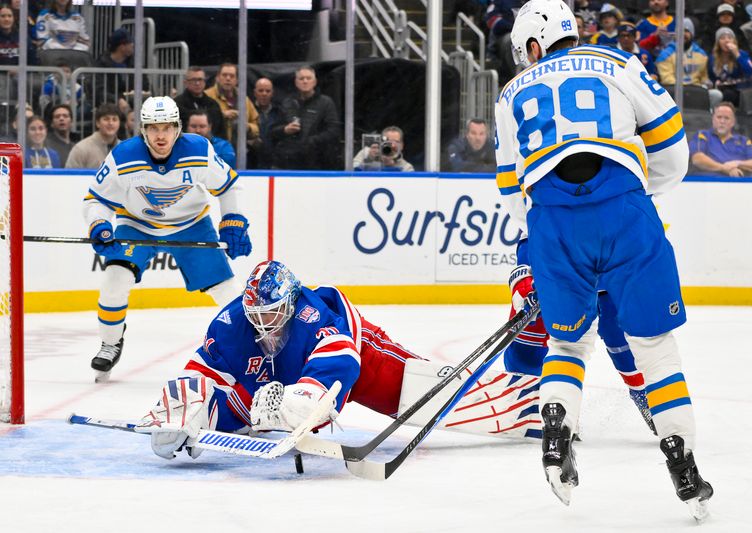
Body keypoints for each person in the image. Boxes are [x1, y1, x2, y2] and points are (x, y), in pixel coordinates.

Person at [498, 0, 712, 517]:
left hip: (550, 221)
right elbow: (673, 152)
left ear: (533, 44)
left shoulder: (509, 94)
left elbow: (511, 194)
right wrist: (637, 194)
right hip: (623, 208)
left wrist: (556, 237)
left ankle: (556, 438)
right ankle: (682, 463)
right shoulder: (617, 63)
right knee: (653, 345)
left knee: (568, 341)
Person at [135, 259, 432, 459]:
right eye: (255, 313)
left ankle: (464, 388)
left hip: (361, 360)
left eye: (270, 311)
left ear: (289, 301)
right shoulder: (230, 322)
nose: (261, 320)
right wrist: (189, 411)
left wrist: (304, 400)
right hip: (278, 379)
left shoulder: (312, 315)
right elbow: (207, 371)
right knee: (223, 404)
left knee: (424, 396)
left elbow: (340, 360)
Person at [81, 96, 252, 382]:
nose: (161, 135)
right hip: (136, 224)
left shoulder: (199, 149)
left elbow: (229, 186)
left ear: (178, 128)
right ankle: (111, 342)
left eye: (167, 127)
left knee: (227, 292)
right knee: (114, 282)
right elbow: (95, 201)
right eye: (153, 128)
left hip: (192, 224)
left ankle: (249, 350)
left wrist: (233, 222)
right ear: (143, 130)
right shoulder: (123, 156)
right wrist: (99, 224)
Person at [272, 65, 340, 170]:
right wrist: (285, 130)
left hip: (317, 162)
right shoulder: (287, 103)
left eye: (308, 78)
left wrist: (312, 141)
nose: (305, 81)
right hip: (288, 162)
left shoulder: (326, 103)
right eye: (301, 78)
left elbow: (333, 130)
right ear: (296, 82)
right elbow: (273, 130)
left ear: (315, 81)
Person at [689, 102, 752, 177]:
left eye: (726, 118)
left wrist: (737, 163)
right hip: (707, 184)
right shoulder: (702, 135)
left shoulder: (743, 140)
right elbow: (698, 159)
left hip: (738, 184)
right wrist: (724, 168)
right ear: (713, 120)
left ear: (733, 122)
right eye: (719, 117)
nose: (722, 121)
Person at [204, 62, 259, 147]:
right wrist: (221, 115)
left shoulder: (243, 99)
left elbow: (256, 126)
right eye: (224, 75)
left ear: (236, 80)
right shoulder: (207, 96)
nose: (228, 78)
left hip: (239, 151)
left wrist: (247, 127)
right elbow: (199, 124)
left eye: (232, 76)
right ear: (217, 78)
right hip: (213, 148)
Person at [656, 19, 713, 93]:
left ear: (692, 34)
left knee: (715, 94)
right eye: (680, 31)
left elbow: (703, 77)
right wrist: (687, 87)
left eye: (686, 31)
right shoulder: (665, 54)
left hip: (697, 91)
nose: (683, 34)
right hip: (674, 91)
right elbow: (667, 79)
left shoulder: (701, 54)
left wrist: (707, 83)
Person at [707, 28, 752, 108]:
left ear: (734, 41)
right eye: (722, 38)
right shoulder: (713, 58)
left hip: (740, 90)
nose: (726, 41)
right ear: (718, 42)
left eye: (729, 38)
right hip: (721, 90)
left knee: (729, 94)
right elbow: (711, 77)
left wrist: (737, 55)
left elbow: (749, 73)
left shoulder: (742, 54)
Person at [174, 66, 225, 139]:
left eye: (200, 79)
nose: (197, 83)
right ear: (185, 82)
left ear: (204, 82)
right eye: (193, 80)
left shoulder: (213, 104)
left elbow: (221, 131)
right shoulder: (176, 105)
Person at [65, 103, 120, 168]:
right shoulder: (81, 149)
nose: (111, 123)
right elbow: (71, 176)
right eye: (106, 119)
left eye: (114, 119)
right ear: (97, 123)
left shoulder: (125, 149)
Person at [251, 76, 280, 169]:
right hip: (252, 161)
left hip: (274, 161)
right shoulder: (247, 111)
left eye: (267, 91)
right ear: (255, 92)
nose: (264, 94)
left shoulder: (280, 112)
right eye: (261, 90)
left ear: (272, 93)